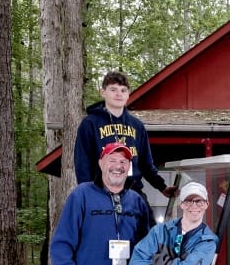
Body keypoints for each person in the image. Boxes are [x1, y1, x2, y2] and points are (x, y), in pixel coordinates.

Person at [74, 71, 177, 200]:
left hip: (132, 192)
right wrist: (88, 195)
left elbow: (146, 164)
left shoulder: (137, 126)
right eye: (113, 90)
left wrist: (162, 187)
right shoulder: (90, 124)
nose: (119, 94)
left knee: (148, 219)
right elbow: (82, 164)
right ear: (103, 92)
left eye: (123, 90)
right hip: (100, 192)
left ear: (128, 94)